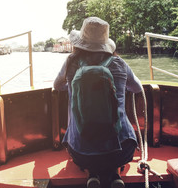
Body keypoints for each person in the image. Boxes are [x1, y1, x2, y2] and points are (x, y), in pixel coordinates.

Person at [53, 17, 143, 188]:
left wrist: (73, 86)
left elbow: (57, 85)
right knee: (114, 141)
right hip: (121, 151)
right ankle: (115, 174)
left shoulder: (71, 62)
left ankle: (92, 173)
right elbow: (137, 88)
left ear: (80, 43)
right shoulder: (119, 64)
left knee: (87, 146)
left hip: (80, 153)